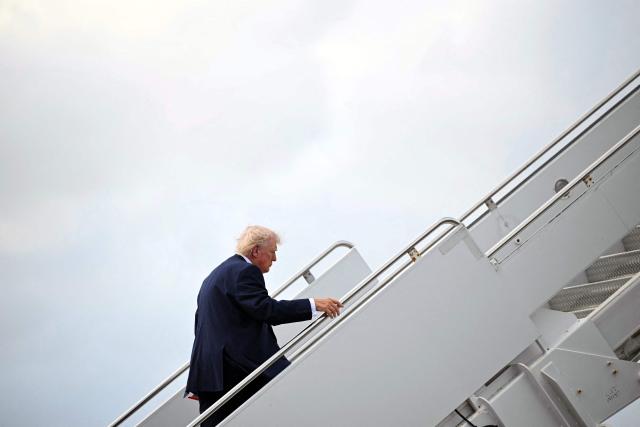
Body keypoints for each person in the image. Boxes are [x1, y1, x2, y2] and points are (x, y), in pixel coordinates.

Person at [185, 225, 343, 426]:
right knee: (292, 403)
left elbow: (202, 323)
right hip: (236, 369)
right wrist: (313, 304)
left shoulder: (216, 275)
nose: (275, 259)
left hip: (212, 371)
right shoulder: (244, 271)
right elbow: (266, 310)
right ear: (256, 251)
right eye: (273, 252)